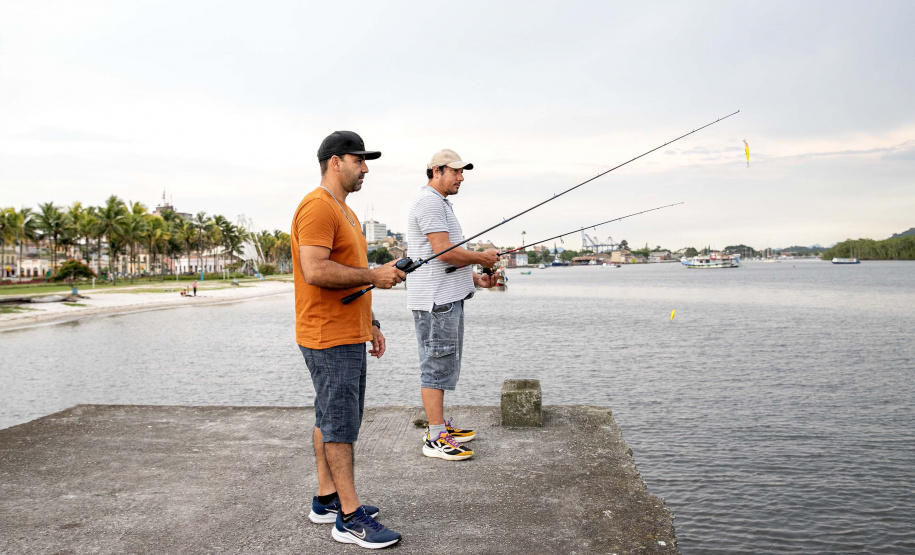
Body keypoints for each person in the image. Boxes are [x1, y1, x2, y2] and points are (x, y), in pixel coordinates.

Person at [292, 130, 405, 549]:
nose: (366, 168)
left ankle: (326, 499)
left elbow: (348, 271)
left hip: (348, 331)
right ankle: (350, 518)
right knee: (341, 424)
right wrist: (375, 275)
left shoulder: (346, 211)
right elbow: (316, 271)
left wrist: (370, 322)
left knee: (330, 417)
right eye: (359, 160)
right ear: (335, 162)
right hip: (327, 335)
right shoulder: (318, 207)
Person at [407, 149, 499, 461]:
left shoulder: (439, 203)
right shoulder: (429, 202)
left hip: (445, 296)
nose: (461, 178)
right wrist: (482, 257)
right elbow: (444, 252)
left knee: (442, 362)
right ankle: (435, 437)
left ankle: (438, 425)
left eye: (463, 172)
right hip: (437, 302)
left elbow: (442, 262)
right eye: (456, 172)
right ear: (436, 170)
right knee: (436, 365)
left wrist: (475, 278)